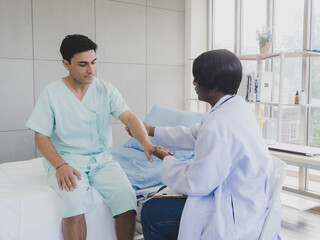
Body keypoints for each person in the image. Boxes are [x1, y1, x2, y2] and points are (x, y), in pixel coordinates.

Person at [26, 34, 157, 240]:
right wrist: (60, 165)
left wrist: (146, 142)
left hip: (102, 160)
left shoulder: (105, 89)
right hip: (67, 161)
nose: (91, 70)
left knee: (126, 198)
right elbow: (40, 136)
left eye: (94, 62)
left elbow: (130, 117)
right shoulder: (51, 94)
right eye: (83, 64)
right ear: (65, 64)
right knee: (75, 204)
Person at [140, 49, 281, 239]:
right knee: (162, 194)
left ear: (213, 87)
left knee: (151, 211)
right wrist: (151, 130)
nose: (194, 83)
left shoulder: (218, 124)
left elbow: (198, 183)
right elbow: (194, 134)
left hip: (236, 216)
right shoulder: (236, 108)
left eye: (197, 78)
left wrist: (166, 159)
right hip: (251, 202)